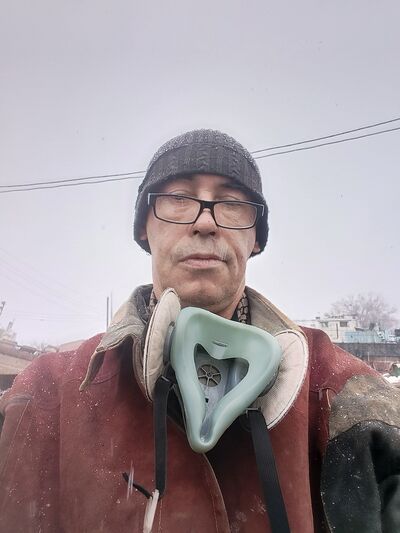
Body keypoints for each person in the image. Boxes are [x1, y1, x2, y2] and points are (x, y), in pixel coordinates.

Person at [1, 129, 399, 533]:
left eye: (232, 203)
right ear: (144, 229)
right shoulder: (45, 396)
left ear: (256, 238)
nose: (205, 222)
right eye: (178, 198)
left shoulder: (343, 394)